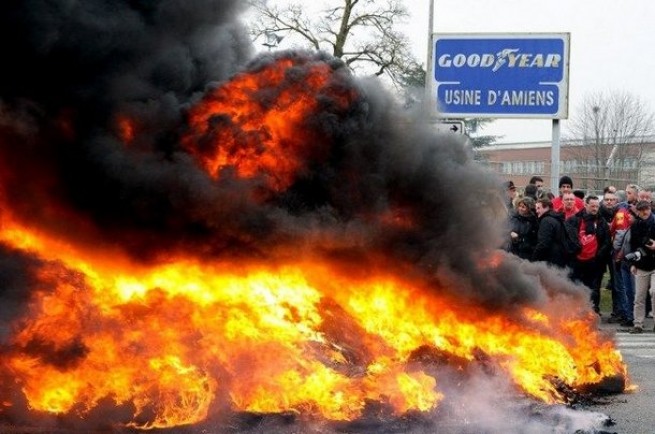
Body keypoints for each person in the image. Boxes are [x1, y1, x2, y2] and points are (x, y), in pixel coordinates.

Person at [566, 196, 611, 315]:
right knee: (576, 286)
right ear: (585, 205)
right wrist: (575, 251)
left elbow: (607, 242)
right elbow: (569, 238)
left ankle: (592, 311)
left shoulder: (602, 222)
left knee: (594, 289)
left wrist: (598, 256)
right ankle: (575, 311)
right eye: (592, 206)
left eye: (597, 206)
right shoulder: (574, 220)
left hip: (595, 262)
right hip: (577, 261)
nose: (595, 209)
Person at [625, 200, 655, 333]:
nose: (644, 212)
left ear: (650, 209)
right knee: (639, 296)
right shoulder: (636, 225)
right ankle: (638, 324)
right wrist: (633, 263)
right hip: (642, 263)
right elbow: (633, 245)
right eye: (641, 210)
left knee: (654, 292)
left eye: (646, 209)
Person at [532, 197, 568, 267]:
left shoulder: (546, 221)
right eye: (536, 208)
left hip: (550, 260)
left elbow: (543, 244)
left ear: (547, 208)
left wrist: (534, 259)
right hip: (559, 258)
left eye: (538, 208)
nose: (536, 211)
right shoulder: (556, 219)